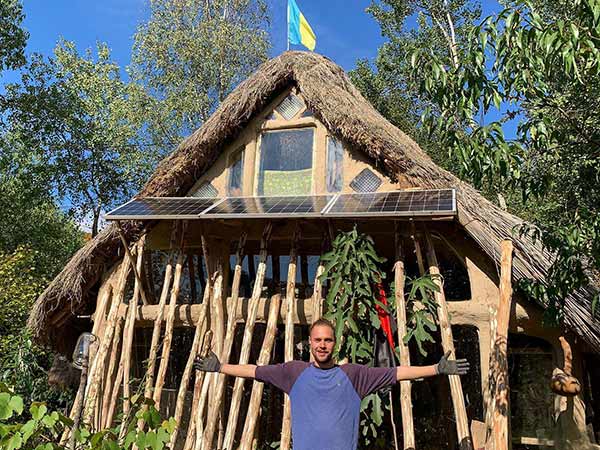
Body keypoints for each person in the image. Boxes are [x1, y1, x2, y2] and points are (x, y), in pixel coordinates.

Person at [193, 318, 469, 450]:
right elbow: (255, 371)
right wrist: (220, 367)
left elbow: (396, 373)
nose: (322, 345)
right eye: (317, 340)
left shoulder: (354, 375)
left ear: (334, 343)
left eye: (327, 340)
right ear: (310, 343)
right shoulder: (293, 373)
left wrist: (436, 368)